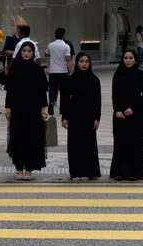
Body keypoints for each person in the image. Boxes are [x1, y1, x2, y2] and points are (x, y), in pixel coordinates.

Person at [110, 50, 143, 181]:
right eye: (125, 58)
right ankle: (120, 171)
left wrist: (134, 109)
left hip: (136, 116)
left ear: (135, 60)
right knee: (121, 144)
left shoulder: (141, 75)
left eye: (131, 58)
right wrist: (117, 110)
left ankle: (136, 171)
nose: (128, 60)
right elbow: (115, 95)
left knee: (135, 145)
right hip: (121, 116)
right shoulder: (118, 75)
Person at [5, 42, 48, 181]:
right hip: (18, 109)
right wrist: (8, 108)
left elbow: (42, 91)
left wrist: (43, 108)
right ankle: (19, 167)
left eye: (29, 51)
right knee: (18, 136)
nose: (26, 53)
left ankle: (28, 168)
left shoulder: (38, 70)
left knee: (32, 137)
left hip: (33, 109)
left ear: (33, 53)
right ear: (20, 52)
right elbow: (10, 91)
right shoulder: (14, 69)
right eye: (24, 50)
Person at [61, 52, 101, 181]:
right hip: (74, 116)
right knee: (74, 145)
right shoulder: (70, 80)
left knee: (88, 144)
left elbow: (97, 101)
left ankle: (88, 172)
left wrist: (97, 117)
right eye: (81, 61)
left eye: (86, 61)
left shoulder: (94, 80)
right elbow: (65, 100)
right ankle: (75, 172)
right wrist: (65, 117)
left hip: (89, 116)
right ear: (77, 63)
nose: (84, 64)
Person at [45, 27, 72, 116]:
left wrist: (49, 65)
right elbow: (68, 60)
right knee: (64, 90)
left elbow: (46, 54)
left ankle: (51, 102)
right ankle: (62, 109)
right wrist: (70, 72)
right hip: (63, 71)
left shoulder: (50, 45)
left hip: (53, 71)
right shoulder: (66, 46)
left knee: (52, 89)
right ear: (63, 35)